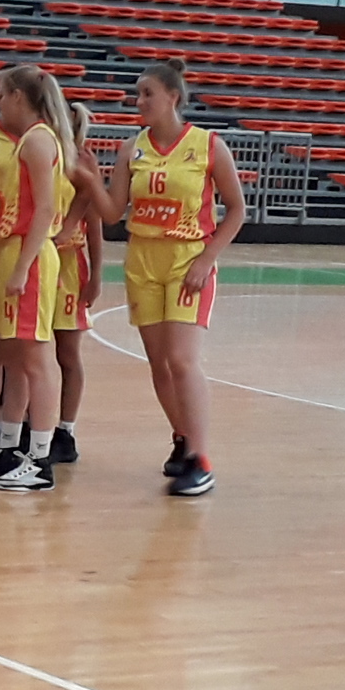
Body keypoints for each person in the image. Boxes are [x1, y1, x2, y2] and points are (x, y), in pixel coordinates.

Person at [99, 61, 247, 498]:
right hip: (142, 259)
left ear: (172, 97)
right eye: (138, 94)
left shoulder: (208, 145)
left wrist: (207, 258)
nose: (139, 101)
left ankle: (201, 460)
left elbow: (237, 209)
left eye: (147, 93)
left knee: (182, 360)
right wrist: (88, 179)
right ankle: (182, 435)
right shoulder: (131, 149)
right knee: (160, 363)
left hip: (187, 260)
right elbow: (112, 213)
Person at [0, 64, 76, 492]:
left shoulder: (37, 140)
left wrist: (22, 267)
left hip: (29, 256)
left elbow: (45, 210)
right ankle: (9, 447)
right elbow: (10, 207)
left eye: (1, 94)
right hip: (15, 251)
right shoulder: (30, 141)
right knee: (15, 358)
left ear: (18, 96)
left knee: (36, 358)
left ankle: (40, 459)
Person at [48, 110, 102, 469]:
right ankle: (25, 423)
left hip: (69, 264)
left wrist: (96, 275)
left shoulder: (82, 161)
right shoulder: (39, 149)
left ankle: (66, 430)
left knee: (67, 353)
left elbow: (94, 224)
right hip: (39, 259)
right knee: (26, 351)